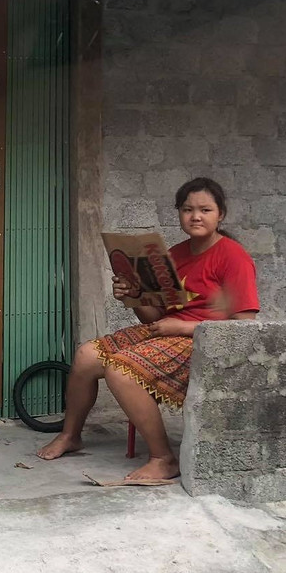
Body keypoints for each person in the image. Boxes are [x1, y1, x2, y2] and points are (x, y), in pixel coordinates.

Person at [37, 178, 259, 482]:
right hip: (168, 330)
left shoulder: (233, 256)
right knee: (86, 355)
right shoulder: (176, 255)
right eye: (187, 209)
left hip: (205, 341)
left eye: (205, 209)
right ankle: (71, 435)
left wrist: (183, 327)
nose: (196, 216)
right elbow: (152, 316)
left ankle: (164, 458)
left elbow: (244, 325)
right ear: (178, 213)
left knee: (122, 371)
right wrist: (132, 295)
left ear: (220, 214)